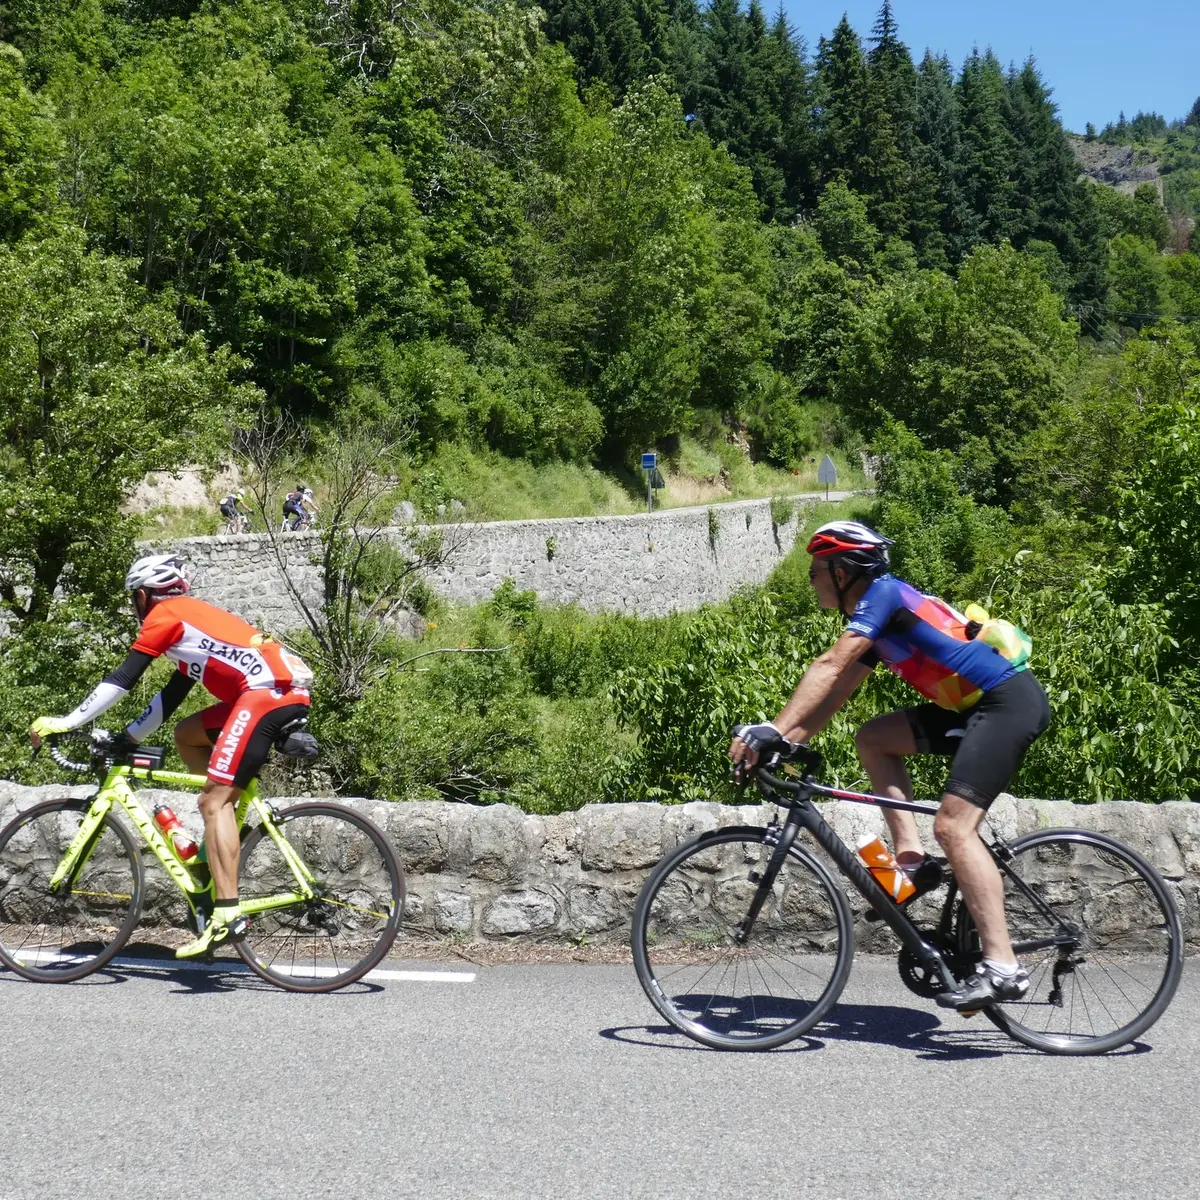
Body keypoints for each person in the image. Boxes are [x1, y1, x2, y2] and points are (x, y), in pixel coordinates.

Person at [729, 520, 1051, 1011]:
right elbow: (835, 695)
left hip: (1006, 703)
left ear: (842, 571)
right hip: (973, 708)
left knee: (954, 827)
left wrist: (771, 727)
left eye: (816, 569)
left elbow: (827, 666)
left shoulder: (884, 595)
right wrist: (783, 744)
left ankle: (1004, 968)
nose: (811, 579)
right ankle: (910, 862)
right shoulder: (875, 619)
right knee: (874, 739)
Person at [29, 553, 313, 959]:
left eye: (134, 599)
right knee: (188, 736)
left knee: (212, 801)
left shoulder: (166, 616)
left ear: (144, 596)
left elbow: (123, 678)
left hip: (263, 695)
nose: (136, 607)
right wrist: (128, 738)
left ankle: (226, 914)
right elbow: (170, 698)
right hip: (277, 692)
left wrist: (67, 722)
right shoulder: (192, 625)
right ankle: (225, 823)